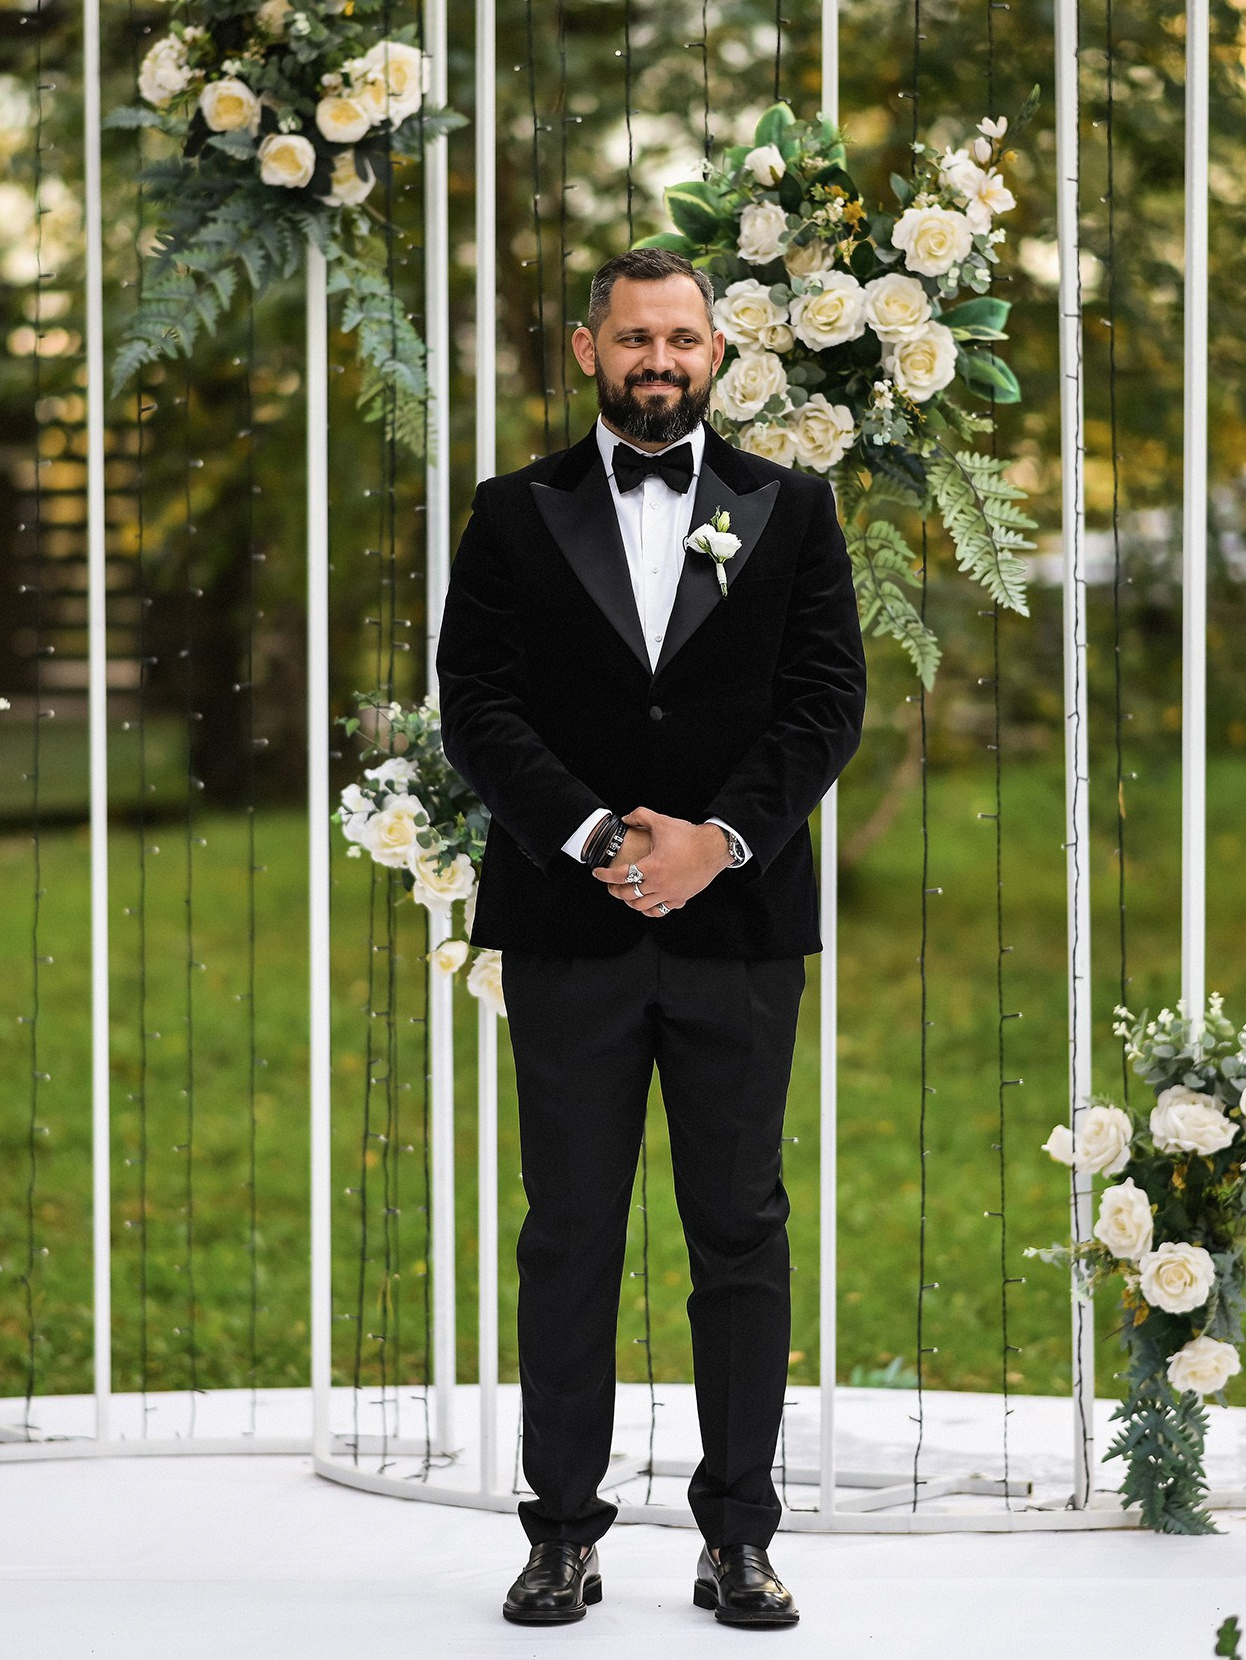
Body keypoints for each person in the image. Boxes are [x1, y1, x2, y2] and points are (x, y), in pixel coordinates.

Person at [435, 247, 866, 1629]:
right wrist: (600, 836)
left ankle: (740, 1535)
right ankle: (561, 1531)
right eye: (636, 339)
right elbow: (479, 707)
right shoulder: (513, 514)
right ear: (587, 349)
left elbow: (824, 703)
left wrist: (716, 839)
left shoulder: (790, 509)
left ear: (719, 355)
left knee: (738, 1228)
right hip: (571, 926)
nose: (660, 361)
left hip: (738, 928)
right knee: (568, 1231)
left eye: (683, 338)